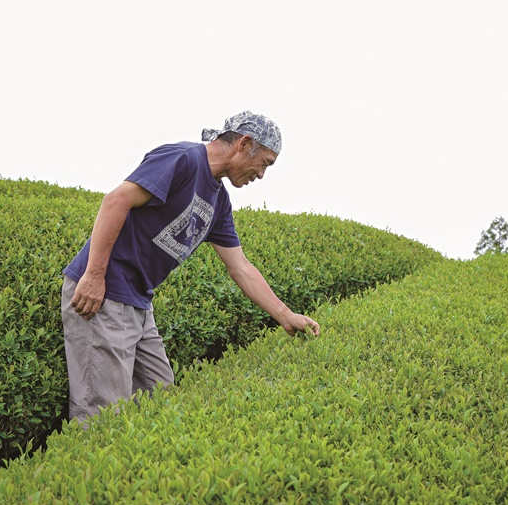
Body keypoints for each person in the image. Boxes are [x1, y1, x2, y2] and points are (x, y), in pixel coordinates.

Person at [61, 111, 320, 422]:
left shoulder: (219, 201)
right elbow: (115, 201)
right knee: (102, 413)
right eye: (264, 163)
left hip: (139, 304)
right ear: (244, 143)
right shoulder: (183, 159)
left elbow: (241, 267)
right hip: (105, 294)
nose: (261, 175)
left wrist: (285, 315)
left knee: (159, 395)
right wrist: (93, 276)